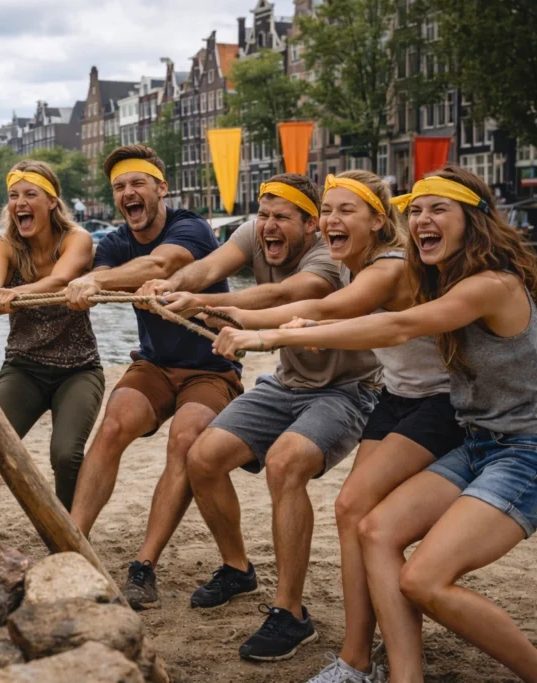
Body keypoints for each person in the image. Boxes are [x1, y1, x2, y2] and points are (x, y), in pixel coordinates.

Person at [215, 166, 537, 682]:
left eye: (439, 209)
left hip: (522, 450)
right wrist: (311, 326)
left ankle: (365, 659)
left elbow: (397, 323)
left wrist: (274, 335)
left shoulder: (489, 285)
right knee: (369, 525)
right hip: (475, 440)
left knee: (422, 579)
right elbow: (345, 311)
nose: (423, 220)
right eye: (418, 211)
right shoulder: (434, 273)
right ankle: (381, 669)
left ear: (474, 222)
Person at [145, 174, 381, 662]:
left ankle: (290, 613)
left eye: (281, 218)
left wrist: (206, 304)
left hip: (347, 391)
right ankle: (237, 569)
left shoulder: (328, 260)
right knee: (202, 456)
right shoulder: (255, 233)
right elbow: (207, 265)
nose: (268, 226)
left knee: (285, 463)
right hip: (285, 382)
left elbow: (282, 298)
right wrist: (171, 285)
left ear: (310, 225)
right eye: (264, 216)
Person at [61, 144, 244, 610]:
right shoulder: (116, 243)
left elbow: (162, 264)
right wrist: (90, 285)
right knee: (114, 424)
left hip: (211, 366)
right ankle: (72, 544)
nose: (128, 193)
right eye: (119, 187)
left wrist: (100, 281)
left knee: (185, 440)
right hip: (154, 365)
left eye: (137, 183)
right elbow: (106, 276)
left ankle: (144, 566)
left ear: (161, 188)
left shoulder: (192, 227)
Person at [0, 161, 104, 533]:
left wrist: (12, 294)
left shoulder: (76, 239)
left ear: (52, 202)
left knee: (66, 454)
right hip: (23, 368)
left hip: (78, 370)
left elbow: (62, 278)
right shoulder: (4, 246)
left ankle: (70, 535)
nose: (20, 202)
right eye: (14, 196)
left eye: (30, 194)